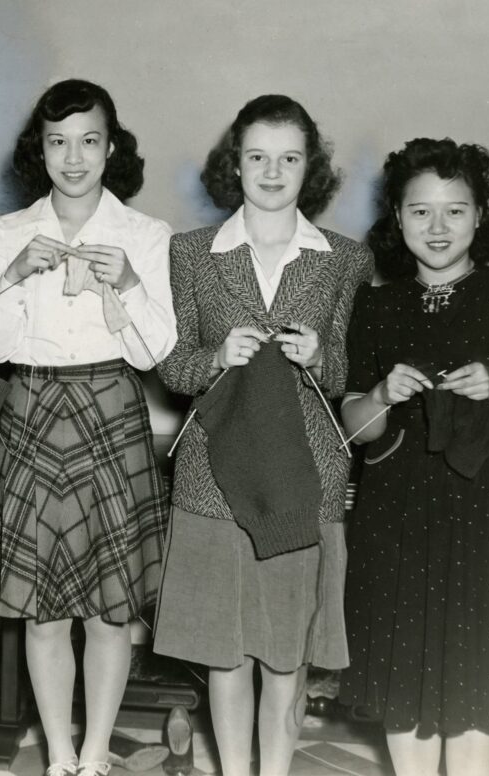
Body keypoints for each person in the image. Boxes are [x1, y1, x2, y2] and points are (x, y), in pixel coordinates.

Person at [152, 95, 373, 776]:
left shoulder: (343, 258)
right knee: (224, 652)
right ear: (235, 164)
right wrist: (217, 357)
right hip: (213, 478)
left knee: (286, 656)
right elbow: (173, 364)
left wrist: (318, 357)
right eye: (257, 157)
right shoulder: (191, 252)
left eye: (289, 158)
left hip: (304, 480)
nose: (272, 172)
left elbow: (346, 372)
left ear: (311, 168)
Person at [339, 138, 489, 776]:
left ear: (480, 217)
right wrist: (382, 393)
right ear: (397, 219)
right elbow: (356, 431)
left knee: (480, 679)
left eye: (455, 211)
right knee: (404, 676)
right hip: (399, 516)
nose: (437, 228)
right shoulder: (374, 306)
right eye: (420, 212)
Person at [0, 79, 176, 776]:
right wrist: (9, 273)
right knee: (42, 609)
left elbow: (156, 354)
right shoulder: (2, 232)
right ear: (41, 151)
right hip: (29, 411)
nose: (74, 158)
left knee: (110, 611)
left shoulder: (146, 236)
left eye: (89, 141)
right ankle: (58, 752)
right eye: (58, 143)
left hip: (111, 411)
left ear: (110, 148)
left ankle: (94, 754)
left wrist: (128, 285)